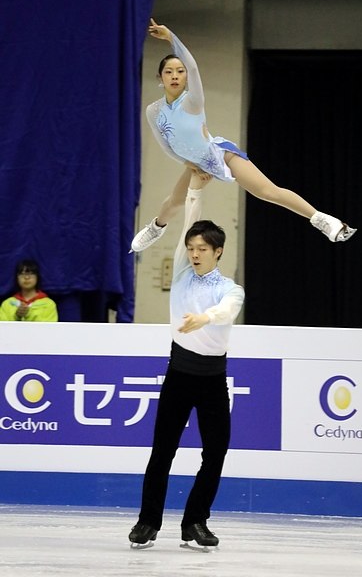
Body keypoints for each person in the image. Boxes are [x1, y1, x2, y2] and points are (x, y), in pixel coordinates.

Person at [130, 18, 356, 253]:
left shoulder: (193, 101)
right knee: (173, 203)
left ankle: (321, 219)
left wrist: (171, 38)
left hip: (219, 153)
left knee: (267, 191)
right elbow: (167, 147)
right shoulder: (154, 111)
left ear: (187, 78)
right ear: (160, 77)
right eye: (168, 72)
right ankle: (156, 228)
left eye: (180, 71)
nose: (175, 76)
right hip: (195, 162)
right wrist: (191, 164)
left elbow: (194, 66)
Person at [128, 168, 245, 549]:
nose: (194, 253)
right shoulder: (181, 272)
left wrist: (205, 317)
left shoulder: (231, 289)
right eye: (191, 248)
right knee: (162, 451)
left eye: (202, 249)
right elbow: (190, 220)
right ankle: (148, 522)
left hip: (213, 381)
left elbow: (228, 310)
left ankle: (195, 522)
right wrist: (195, 187)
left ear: (218, 252)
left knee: (216, 453)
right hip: (179, 374)